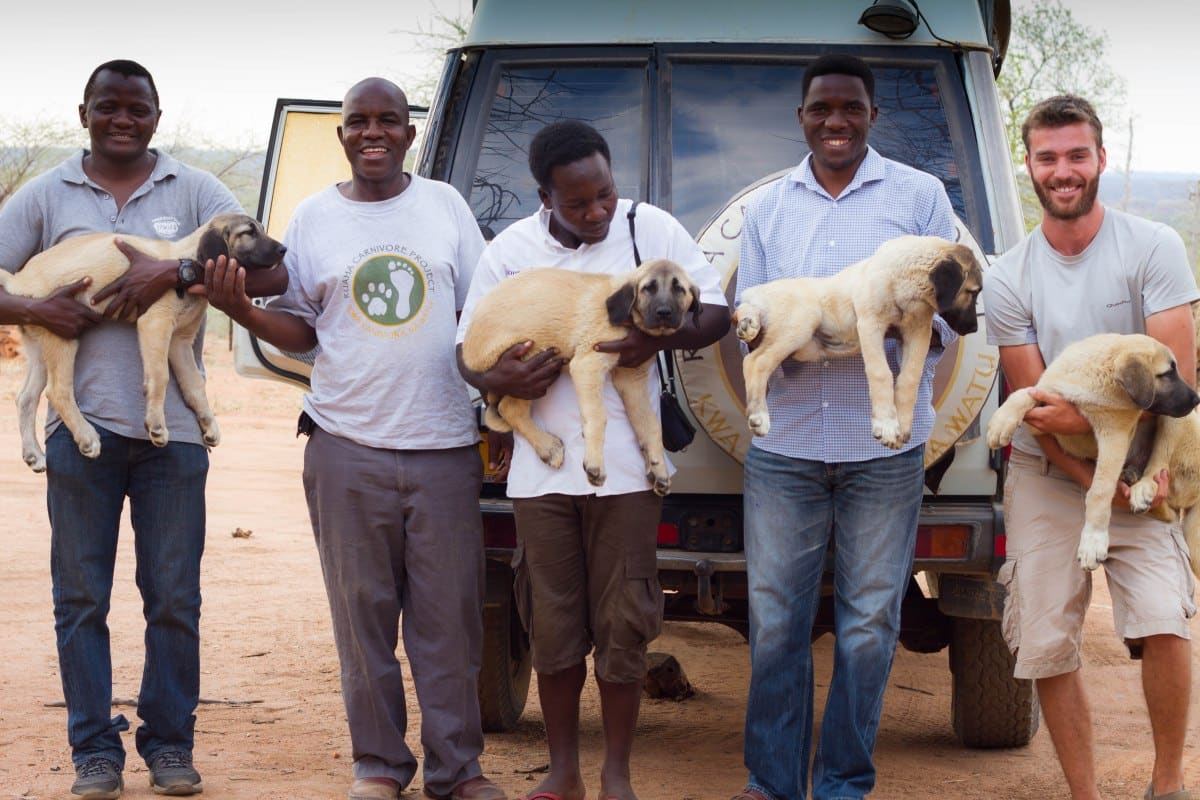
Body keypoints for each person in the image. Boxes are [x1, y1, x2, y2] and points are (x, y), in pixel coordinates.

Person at [203, 77, 505, 800]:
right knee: (361, 619)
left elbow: (485, 313)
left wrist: (502, 407)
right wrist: (242, 311)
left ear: (410, 131)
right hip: (344, 446)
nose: (374, 132)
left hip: (442, 449)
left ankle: (457, 771)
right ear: (342, 135)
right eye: (359, 122)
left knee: (451, 625)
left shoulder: (445, 207)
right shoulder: (313, 218)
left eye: (388, 121)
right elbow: (304, 326)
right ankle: (378, 766)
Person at [0, 59, 287, 799]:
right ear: (84, 112)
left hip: (175, 441)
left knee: (172, 598)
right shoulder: (46, 194)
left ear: (158, 116)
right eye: (109, 107)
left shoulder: (194, 190)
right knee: (81, 598)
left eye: (138, 109)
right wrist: (36, 311)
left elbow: (270, 275)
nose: (123, 119)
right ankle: (94, 751)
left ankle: (169, 747)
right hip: (81, 432)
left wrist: (177, 273)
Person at [455, 119, 729, 800]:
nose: (598, 212)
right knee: (551, 622)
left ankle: (616, 774)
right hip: (539, 474)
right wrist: (500, 382)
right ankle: (564, 772)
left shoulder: (653, 230)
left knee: (625, 621)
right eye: (578, 203)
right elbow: (466, 352)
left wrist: (653, 341)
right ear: (544, 196)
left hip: (632, 476)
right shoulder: (510, 252)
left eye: (605, 194)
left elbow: (716, 312)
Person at [731, 54, 958, 800]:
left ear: (871, 115)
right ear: (801, 117)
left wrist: (872, 336)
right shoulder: (766, 211)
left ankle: (842, 786)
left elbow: (942, 322)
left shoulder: (922, 199)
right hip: (786, 446)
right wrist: (803, 338)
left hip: (883, 451)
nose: (836, 120)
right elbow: (760, 326)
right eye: (822, 107)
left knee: (869, 627)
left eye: (851, 107)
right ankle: (773, 785)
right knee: (775, 626)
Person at [983, 94, 1197, 800]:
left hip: (1143, 460)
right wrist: (1091, 479)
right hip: (1048, 474)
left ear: (1101, 159)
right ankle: (1086, 796)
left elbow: (1177, 375)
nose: (1063, 170)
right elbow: (1038, 409)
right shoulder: (1009, 275)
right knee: (1048, 644)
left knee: (1165, 621)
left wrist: (1152, 470)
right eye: (1048, 158)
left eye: (1077, 155)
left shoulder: (1153, 247)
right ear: (1030, 168)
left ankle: (1166, 785)